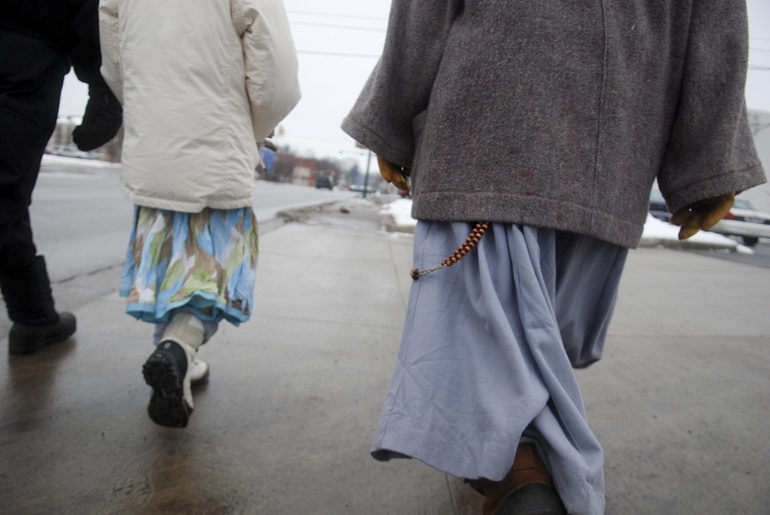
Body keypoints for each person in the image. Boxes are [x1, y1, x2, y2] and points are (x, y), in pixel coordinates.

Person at [342, 1, 765, 514]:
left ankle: (524, 481)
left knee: (502, 364)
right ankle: (522, 467)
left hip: (490, 130)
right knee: (539, 350)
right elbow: (717, 21)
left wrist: (390, 113)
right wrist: (709, 158)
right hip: (618, 138)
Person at [98, 0, 300, 427]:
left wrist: (151, 112)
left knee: (173, 270)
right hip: (217, 144)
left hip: (152, 145)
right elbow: (275, 74)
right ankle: (179, 347)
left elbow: (116, 65)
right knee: (214, 272)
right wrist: (254, 128)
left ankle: (177, 366)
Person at [0, 0, 123, 355]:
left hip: (28, 49)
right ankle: (34, 316)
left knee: (10, 193)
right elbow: (88, 11)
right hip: (27, 59)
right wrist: (103, 86)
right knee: (6, 186)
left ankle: (34, 316)